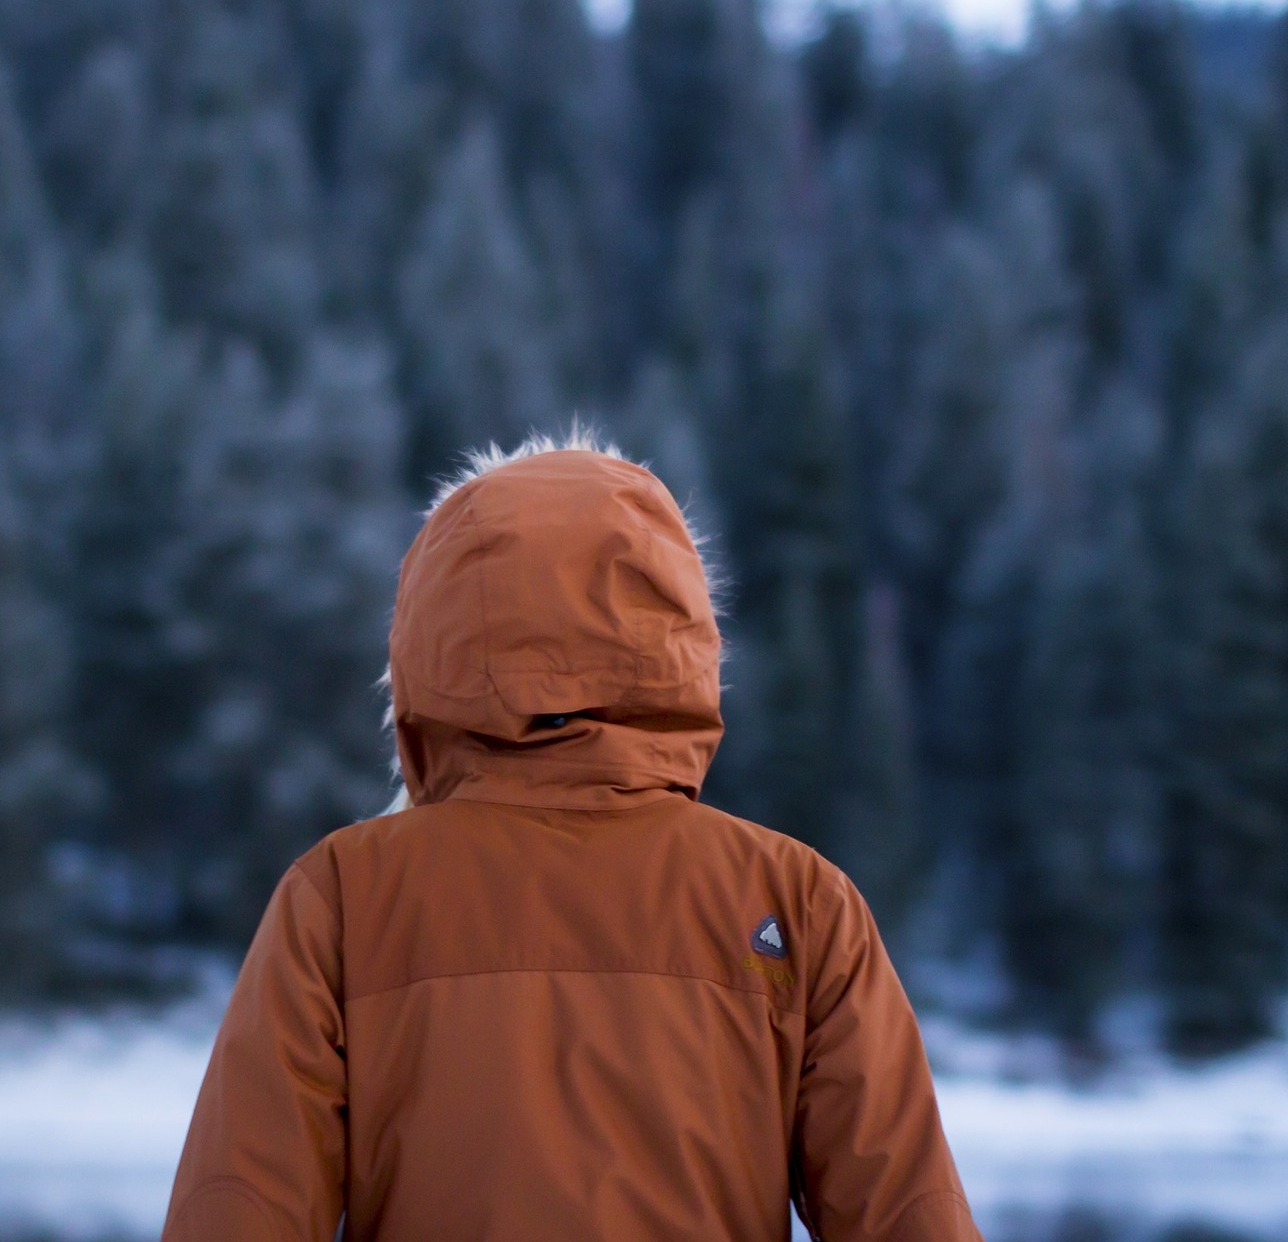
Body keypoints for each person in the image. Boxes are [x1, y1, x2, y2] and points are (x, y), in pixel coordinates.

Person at [162, 434, 983, 1242]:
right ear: (681, 638)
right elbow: (908, 1218)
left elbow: (238, 1208)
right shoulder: (796, 900)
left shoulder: (343, 896)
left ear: (431, 644)